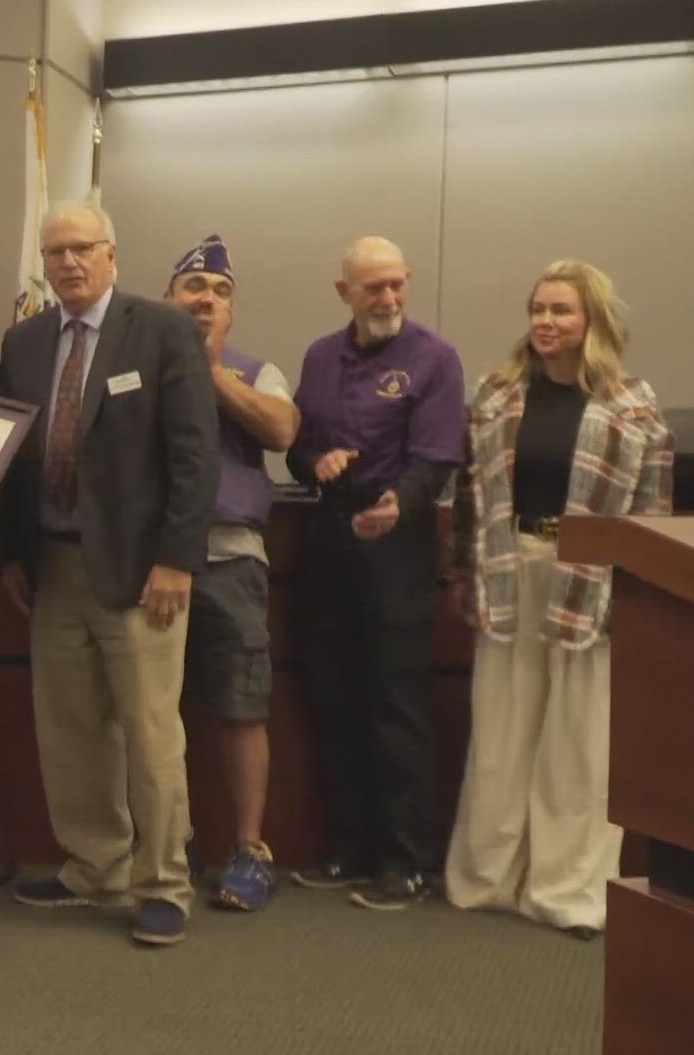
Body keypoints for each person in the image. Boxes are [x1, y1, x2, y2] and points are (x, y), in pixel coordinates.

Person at [0, 205, 219, 947]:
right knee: (69, 728)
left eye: (81, 248)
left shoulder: (161, 331)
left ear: (112, 253)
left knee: (152, 734)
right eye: (55, 251)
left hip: (142, 568)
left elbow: (194, 457)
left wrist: (177, 559)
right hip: (53, 564)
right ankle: (94, 865)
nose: (67, 263)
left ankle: (163, 882)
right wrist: (12, 554)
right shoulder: (24, 341)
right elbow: (14, 453)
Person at [446, 260, 672, 939]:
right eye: (538, 309)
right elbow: (469, 497)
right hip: (514, 569)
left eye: (561, 311)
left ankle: (564, 892)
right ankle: (489, 880)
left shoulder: (632, 406)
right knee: (501, 737)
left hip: (592, 581)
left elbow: (652, 513)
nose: (545, 322)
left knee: (576, 747)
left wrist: (637, 597)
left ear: (591, 321)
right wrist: (462, 571)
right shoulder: (496, 396)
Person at [286, 236, 465, 911]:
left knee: (396, 706)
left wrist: (399, 503)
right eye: (372, 289)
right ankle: (350, 849)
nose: (387, 299)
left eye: (396, 285)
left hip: (400, 544)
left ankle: (406, 861)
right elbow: (300, 447)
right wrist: (315, 465)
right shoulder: (318, 357)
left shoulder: (434, 358)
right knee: (335, 698)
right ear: (345, 295)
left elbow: (437, 457)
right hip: (329, 542)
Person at [163, 235, 296, 912]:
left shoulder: (255, 370)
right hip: (157, 563)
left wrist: (210, 373)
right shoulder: (144, 363)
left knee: (241, 709)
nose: (206, 301)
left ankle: (249, 851)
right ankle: (171, 845)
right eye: (194, 289)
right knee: (158, 713)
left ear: (231, 311)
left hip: (231, 558)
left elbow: (282, 431)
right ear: (168, 299)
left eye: (219, 294)